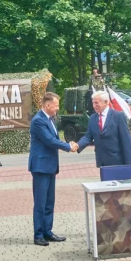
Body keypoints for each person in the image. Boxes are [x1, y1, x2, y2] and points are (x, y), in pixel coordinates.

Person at [28, 92, 75, 246]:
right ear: (47, 105)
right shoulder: (38, 121)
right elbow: (49, 140)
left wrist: (67, 144)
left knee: (49, 202)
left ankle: (48, 232)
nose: (57, 109)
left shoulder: (49, 119)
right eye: (56, 106)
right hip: (41, 167)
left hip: (50, 166)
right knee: (40, 203)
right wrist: (68, 146)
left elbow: (54, 138)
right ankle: (38, 235)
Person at [77, 90, 131, 165]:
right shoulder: (92, 118)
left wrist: (129, 164)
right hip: (102, 161)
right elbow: (88, 137)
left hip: (117, 161)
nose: (94, 106)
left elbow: (126, 141)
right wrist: (77, 145)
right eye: (93, 103)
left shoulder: (118, 116)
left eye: (96, 103)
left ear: (106, 102)